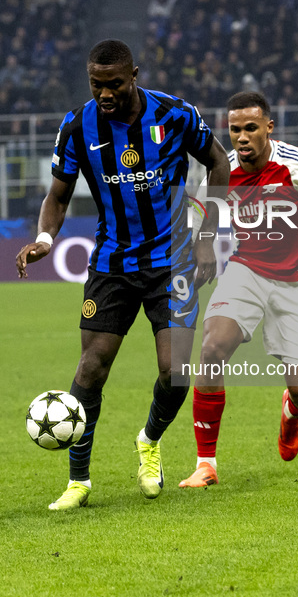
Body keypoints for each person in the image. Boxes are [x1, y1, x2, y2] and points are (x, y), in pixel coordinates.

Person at [16, 39, 230, 510]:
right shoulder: (76, 126)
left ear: (134, 74)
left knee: (175, 372)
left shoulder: (175, 114)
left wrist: (209, 233)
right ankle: (78, 481)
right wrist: (46, 240)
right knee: (91, 368)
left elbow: (218, 161)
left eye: (114, 84)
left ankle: (149, 440)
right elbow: (58, 195)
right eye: (96, 84)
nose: (105, 93)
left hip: (173, 261)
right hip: (112, 264)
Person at [179, 91, 298, 488]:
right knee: (212, 349)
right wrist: (204, 242)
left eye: (250, 128)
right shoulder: (221, 169)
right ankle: (205, 463)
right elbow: (201, 213)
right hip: (246, 270)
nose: (241, 137)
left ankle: (291, 411)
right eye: (234, 130)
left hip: (297, 279)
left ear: (268, 128)